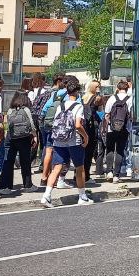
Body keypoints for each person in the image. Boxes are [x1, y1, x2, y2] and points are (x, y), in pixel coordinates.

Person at [42, 77, 91, 208]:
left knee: (56, 168)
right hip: (73, 140)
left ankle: (46, 195)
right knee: (79, 168)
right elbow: (78, 125)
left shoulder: (61, 105)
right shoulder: (78, 106)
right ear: (77, 92)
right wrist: (86, 137)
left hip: (59, 140)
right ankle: (82, 196)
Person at [0, 90, 37, 192]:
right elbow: (31, 124)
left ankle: (5, 187)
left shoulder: (10, 110)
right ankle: (28, 185)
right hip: (24, 138)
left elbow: (7, 124)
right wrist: (34, 136)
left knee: (8, 162)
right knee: (25, 162)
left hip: (11, 137)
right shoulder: (26, 109)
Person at [37, 75, 68, 184]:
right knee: (60, 151)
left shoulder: (55, 94)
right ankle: (56, 179)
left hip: (48, 124)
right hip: (61, 127)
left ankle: (44, 177)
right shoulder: (69, 95)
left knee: (48, 150)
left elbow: (44, 109)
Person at [104, 78, 135, 180]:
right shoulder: (130, 99)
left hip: (111, 128)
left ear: (118, 88)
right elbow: (132, 115)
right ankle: (116, 175)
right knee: (120, 151)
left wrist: (109, 124)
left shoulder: (112, 98)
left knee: (110, 149)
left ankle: (109, 171)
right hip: (125, 128)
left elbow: (107, 114)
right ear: (127, 88)